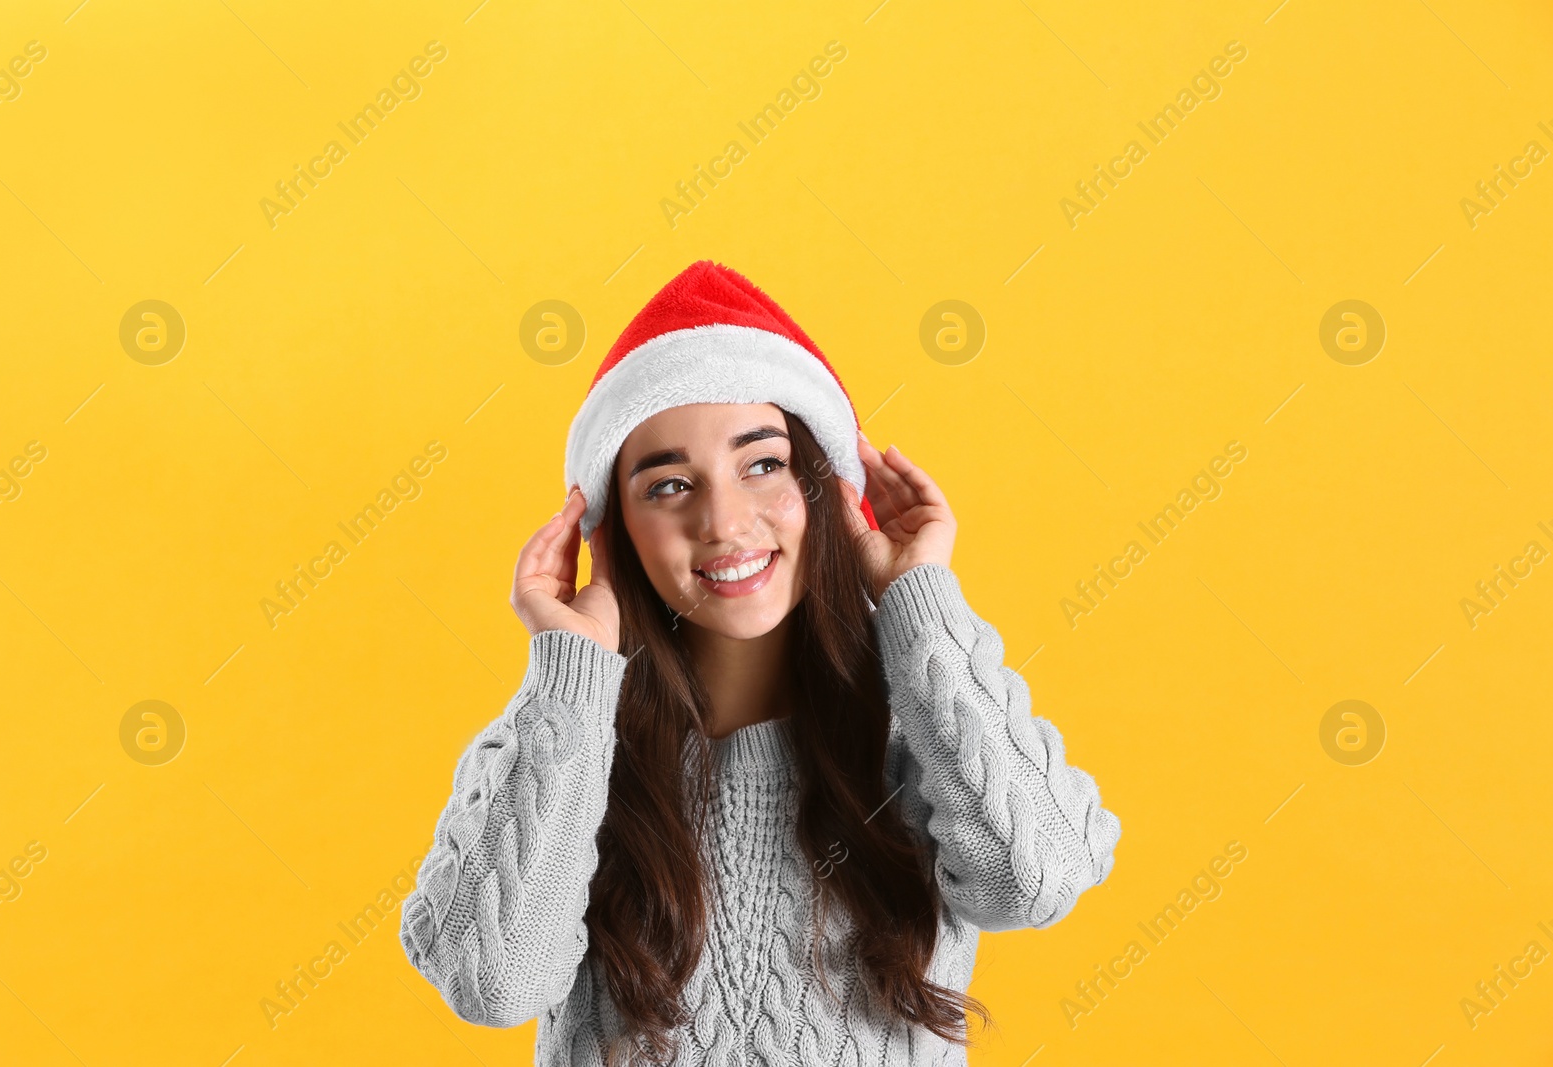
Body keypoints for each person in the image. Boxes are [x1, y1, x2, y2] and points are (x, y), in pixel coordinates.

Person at [400, 261, 1121, 1066]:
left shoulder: (916, 728)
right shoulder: (562, 743)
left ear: (828, 487)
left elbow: (1037, 878)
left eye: (764, 464)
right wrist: (570, 674)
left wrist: (922, 601)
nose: (724, 521)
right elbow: (492, 980)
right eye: (669, 484)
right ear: (612, 531)